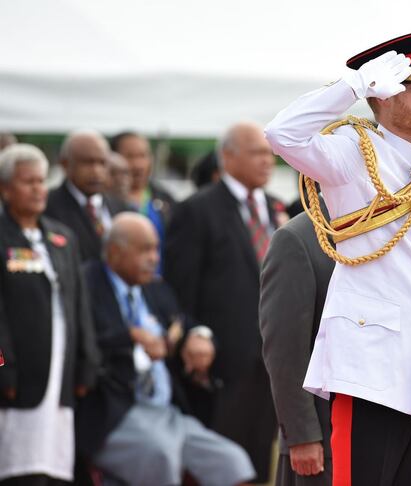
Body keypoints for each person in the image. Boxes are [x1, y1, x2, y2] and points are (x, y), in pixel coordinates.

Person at [265, 31, 411, 485]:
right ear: (384, 95)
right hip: (369, 369)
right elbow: (281, 134)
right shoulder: (353, 154)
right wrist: (351, 87)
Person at [80, 213, 254, 486]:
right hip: (116, 410)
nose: (154, 258)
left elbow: (182, 323)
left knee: (233, 462)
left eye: (156, 249)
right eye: (144, 250)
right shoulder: (86, 284)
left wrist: (198, 337)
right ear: (114, 252)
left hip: (166, 410)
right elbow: (85, 339)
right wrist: (132, 337)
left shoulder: (155, 288)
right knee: (159, 454)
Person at [164, 122, 283, 482]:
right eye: (257, 153)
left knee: (262, 459)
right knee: (222, 466)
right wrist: (194, 332)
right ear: (228, 157)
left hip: (273, 359)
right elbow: (177, 288)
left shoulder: (276, 208)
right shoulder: (197, 210)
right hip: (220, 364)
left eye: (269, 153)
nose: (267, 161)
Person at [0, 144, 99, 485]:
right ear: (5, 188)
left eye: (42, 181)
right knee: (18, 467)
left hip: (60, 373)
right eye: (28, 182)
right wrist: (3, 368)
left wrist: (88, 361)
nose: (38, 189)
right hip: (15, 376)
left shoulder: (61, 238)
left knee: (53, 465)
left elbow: (79, 305)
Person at [260, 209, 335, 486]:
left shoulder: (386, 229)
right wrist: (302, 434)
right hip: (322, 441)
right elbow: (284, 351)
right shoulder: (298, 237)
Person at [45, 130, 128, 262]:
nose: (96, 171)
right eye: (87, 163)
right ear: (65, 164)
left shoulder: (122, 208)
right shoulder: (47, 206)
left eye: (102, 163)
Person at [110, 131, 176, 245]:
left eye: (143, 156)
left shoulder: (165, 199)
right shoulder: (103, 201)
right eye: (129, 156)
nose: (138, 165)